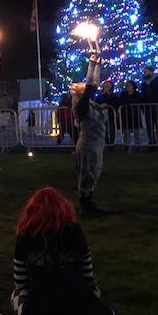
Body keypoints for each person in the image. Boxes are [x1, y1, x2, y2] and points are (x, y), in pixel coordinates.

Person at [11, 187, 114, 315]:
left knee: (16, 294)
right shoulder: (75, 232)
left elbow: (20, 282)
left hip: (41, 308)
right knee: (89, 287)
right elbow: (87, 274)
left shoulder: (25, 236)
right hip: (77, 298)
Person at [71, 52, 107, 217]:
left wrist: (98, 65)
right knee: (86, 174)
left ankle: (89, 202)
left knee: (94, 172)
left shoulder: (90, 104)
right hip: (87, 145)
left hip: (95, 144)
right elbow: (91, 86)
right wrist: (92, 65)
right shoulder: (81, 106)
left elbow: (93, 86)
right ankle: (85, 204)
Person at [141, 66, 158, 146]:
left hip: (157, 107)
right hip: (148, 109)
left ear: (151, 72)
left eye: (146, 71)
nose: (145, 73)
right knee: (149, 127)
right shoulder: (144, 84)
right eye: (144, 72)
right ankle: (152, 143)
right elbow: (143, 95)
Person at [119, 80, 142, 148]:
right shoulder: (123, 94)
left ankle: (138, 146)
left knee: (136, 132)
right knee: (126, 132)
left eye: (130, 85)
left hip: (135, 114)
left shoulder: (137, 94)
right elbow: (121, 101)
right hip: (126, 115)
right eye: (127, 86)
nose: (128, 87)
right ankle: (127, 146)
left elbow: (138, 101)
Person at [98, 80, 120, 145]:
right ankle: (106, 142)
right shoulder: (101, 96)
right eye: (105, 85)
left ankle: (111, 143)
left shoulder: (114, 96)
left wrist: (107, 104)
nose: (106, 87)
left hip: (111, 115)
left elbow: (116, 103)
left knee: (111, 129)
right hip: (102, 115)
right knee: (103, 129)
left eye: (108, 85)